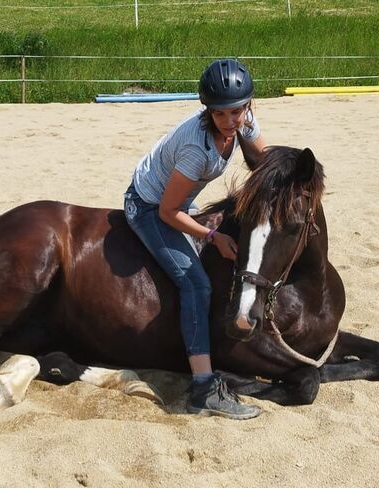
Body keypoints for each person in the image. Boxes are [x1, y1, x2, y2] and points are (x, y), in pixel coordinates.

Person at [123, 59, 266, 420]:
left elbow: (263, 164)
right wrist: (213, 236)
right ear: (208, 111)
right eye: (221, 114)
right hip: (149, 205)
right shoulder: (195, 149)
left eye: (237, 111)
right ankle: (203, 388)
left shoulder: (244, 120)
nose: (231, 120)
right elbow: (168, 213)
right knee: (196, 285)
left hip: (182, 200)